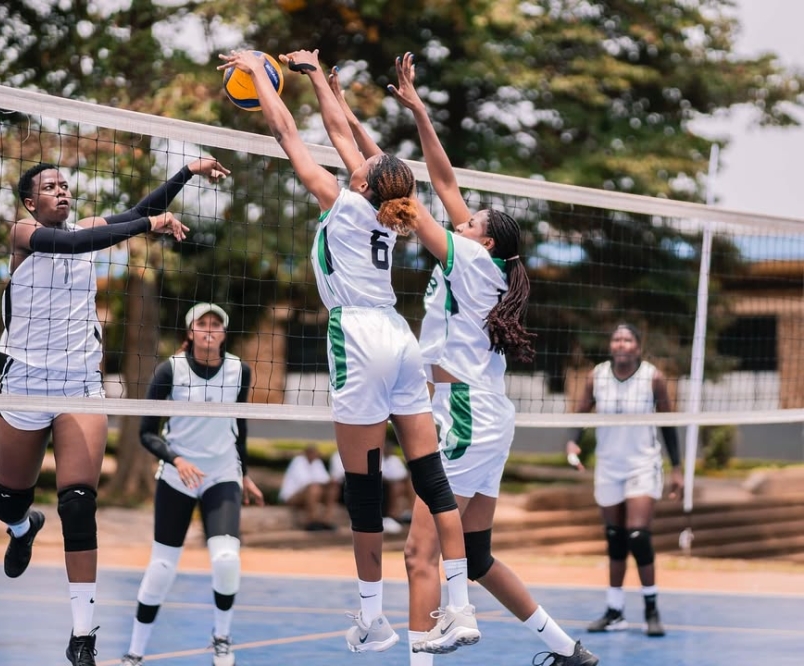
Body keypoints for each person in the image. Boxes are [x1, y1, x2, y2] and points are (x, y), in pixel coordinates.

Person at [218, 49, 476, 654]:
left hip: (358, 338)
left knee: (361, 489)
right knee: (431, 480)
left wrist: (260, 74)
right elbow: (339, 132)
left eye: (361, 164)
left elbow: (288, 133)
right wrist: (313, 76)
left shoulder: (344, 204)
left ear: (362, 178)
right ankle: (459, 606)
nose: (353, 159)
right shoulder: (387, 213)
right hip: (400, 337)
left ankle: (372, 617)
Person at [350, 52, 599, 665]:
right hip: (486, 413)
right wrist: (417, 113)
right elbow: (444, 183)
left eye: (472, 221)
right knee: (477, 556)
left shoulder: (472, 259)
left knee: (418, 554)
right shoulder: (482, 259)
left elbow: (410, 196)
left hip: (461, 411)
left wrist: (361, 142)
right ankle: (568, 652)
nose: (463, 217)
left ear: (484, 240)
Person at [0, 156, 226, 666]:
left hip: (79, 383)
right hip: (24, 381)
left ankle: (83, 635)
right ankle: (19, 527)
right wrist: (150, 225)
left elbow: (140, 209)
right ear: (31, 201)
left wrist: (186, 172)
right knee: (7, 499)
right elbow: (79, 242)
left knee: (77, 502)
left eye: (64, 184)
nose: (61, 191)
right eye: (49, 187)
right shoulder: (24, 232)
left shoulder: (87, 227)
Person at [120, 302, 264, 666]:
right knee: (162, 568)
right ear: (190, 332)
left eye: (217, 324)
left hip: (221, 474)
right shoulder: (170, 370)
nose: (210, 329)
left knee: (227, 558)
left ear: (224, 334)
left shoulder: (238, 371)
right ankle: (135, 652)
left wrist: (243, 473)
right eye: (203, 323)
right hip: (177, 475)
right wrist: (176, 460)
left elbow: (240, 425)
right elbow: (146, 434)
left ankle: (222, 638)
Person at [565, 323, 681, 638]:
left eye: (627, 339)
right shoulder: (597, 376)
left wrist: (678, 468)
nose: (621, 343)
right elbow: (581, 411)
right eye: (616, 338)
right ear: (611, 346)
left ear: (637, 347)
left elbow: (670, 425)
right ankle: (615, 611)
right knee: (615, 536)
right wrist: (573, 441)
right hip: (609, 466)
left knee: (638, 535)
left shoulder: (652, 378)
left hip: (643, 464)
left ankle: (651, 609)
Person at [329, 443, 411, 534]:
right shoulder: (338, 455)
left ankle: (391, 517)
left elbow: (401, 476)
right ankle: (356, 519)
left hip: (377, 484)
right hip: (346, 486)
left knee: (392, 486)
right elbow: (336, 477)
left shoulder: (375, 455)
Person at [279, 443, 336, 531]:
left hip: (309, 492)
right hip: (291, 497)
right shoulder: (298, 461)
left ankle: (326, 520)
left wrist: (330, 482)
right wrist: (324, 482)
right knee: (314, 489)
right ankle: (311, 521)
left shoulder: (317, 462)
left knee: (332, 489)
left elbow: (324, 479)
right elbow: (305, 482)